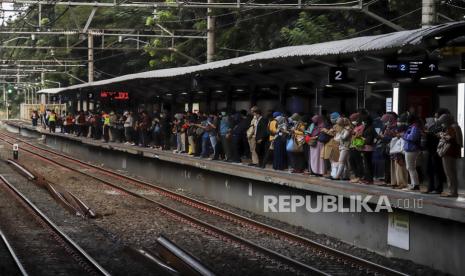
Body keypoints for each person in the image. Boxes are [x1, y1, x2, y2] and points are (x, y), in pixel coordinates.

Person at [437, 113, 463, 197]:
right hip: (452, 152)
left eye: (443, 122)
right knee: (452, 173)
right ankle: (453, 191)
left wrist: (442, 135)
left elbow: (450, 139)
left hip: (449, 152)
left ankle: (452, 191)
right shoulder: (456, 126)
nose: (442, 124)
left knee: (449, 173)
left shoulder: (452, 127)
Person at [424, 110, 447, 194]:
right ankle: (430, 187)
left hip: (438, 150)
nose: (435, 118)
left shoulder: (444, 126)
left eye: (437, 117)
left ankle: (438, 188)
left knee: (437, 170)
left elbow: (443, 137)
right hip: (430, 149)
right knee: (429, 169)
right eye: (435, 117)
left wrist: (433, 134)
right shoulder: (432, 126)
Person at [402, 114, 422, 190]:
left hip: (412, 149)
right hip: (410, 149)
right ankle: (413, 183)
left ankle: (415, 184)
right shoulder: (413, 127)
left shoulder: (415, 127)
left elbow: (413, 137)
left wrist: (405, 136)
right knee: (410, 167)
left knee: (411, 167)